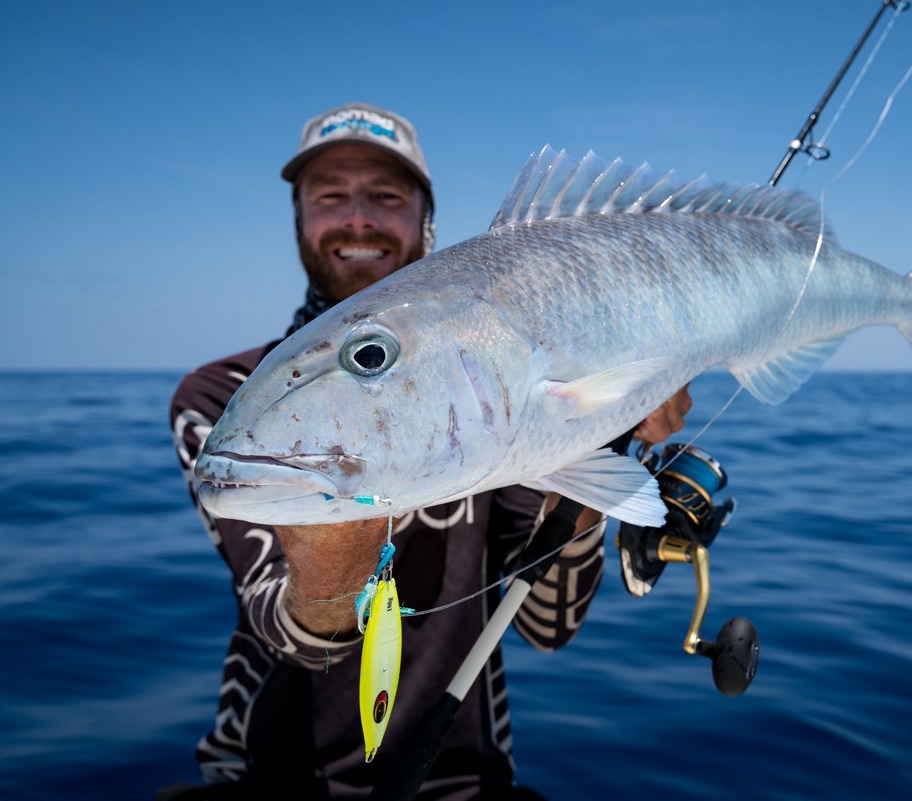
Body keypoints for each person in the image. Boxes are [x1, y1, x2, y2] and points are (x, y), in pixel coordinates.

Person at [164, 103, 691, 800]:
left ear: (427, 224)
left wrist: (595, 433)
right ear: (299, 221)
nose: (358, 218)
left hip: (463, 775)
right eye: (329, 196)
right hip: (270, 774)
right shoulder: (226, 400)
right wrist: (329, 568)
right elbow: (281, 620)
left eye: (386, 196)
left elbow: (547, 625)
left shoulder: (492, 385)